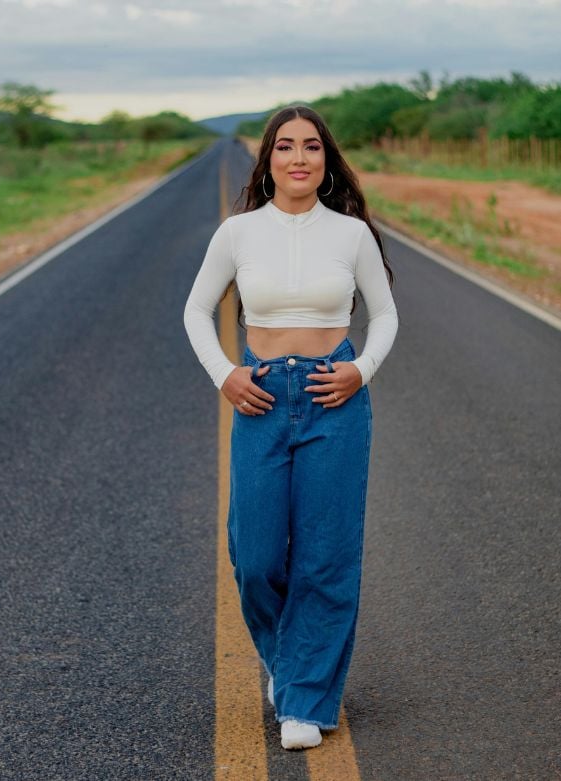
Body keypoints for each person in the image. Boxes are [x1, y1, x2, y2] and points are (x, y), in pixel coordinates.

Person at [183, 105, 398, 750]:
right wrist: (225, 374)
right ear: (268, 159)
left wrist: (361, 369)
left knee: (326, 557)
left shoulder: (352, 234)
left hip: (333, 395)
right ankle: (291, 661)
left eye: (311, 146)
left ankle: (305, 697)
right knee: (255, 557)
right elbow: (196, 312)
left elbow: (384, 317)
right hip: (263, 397)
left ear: (326, 159)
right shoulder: (238, 233)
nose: (298, 158)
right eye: (285, 146)